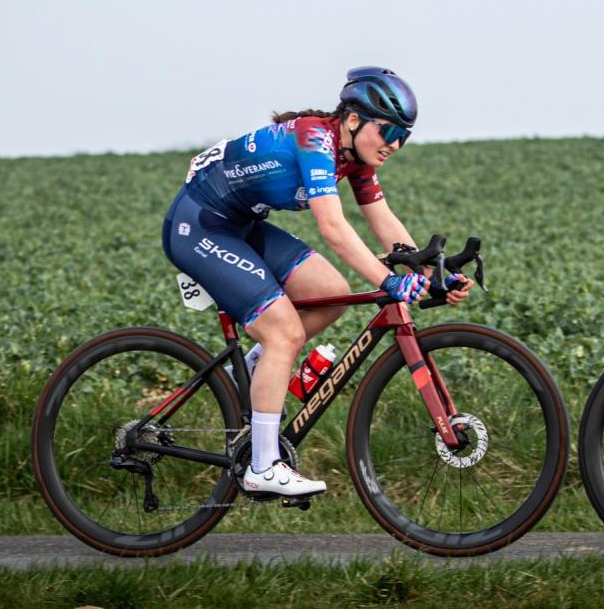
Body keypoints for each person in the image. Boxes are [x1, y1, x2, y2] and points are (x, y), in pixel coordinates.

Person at [162, 67, 475, 498]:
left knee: (331, 294)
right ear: (353, 119)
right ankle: (262, 466)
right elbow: (333, 228)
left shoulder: (354, 157)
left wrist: (431, 274)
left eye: (403, 136)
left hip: (241, 225)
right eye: (387, 131)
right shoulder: (314, 139)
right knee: (284, 333)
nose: (394, 144)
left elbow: (383, 221)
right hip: (199, 226)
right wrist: (389, 281)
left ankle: (252, 372)